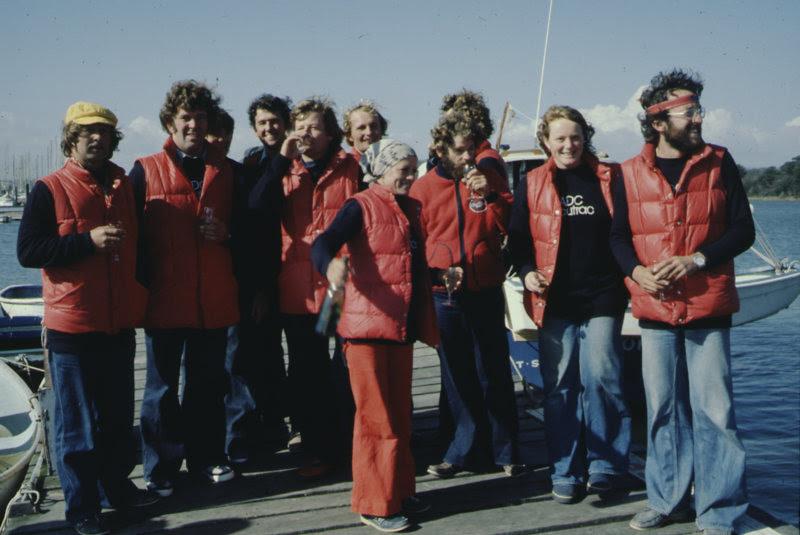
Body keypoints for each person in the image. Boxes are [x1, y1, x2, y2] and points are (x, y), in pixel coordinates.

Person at [610, 69, 754, 535]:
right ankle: (667, 500)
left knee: (716, 414)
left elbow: (742, 230)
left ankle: (720, 511)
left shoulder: (720, 161)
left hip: (707, 307)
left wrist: (697, 260)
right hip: (654, 311)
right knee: (663, 410)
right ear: (657, 121)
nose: (697, 119)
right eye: (686, 112)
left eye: (697, 111)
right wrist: (636, 272)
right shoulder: (626, 173)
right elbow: (616, 239)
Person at [17, 102, 155, 535]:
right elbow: (29, 252)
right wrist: (86, 241)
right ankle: (81, 508)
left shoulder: (123, 185)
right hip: (72, 329)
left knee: (116, 421)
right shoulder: (48, 187)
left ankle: (118, 489)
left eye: (104, 132)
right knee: (75, 427)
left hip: (117, 324)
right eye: (87, 132)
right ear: (71, 139)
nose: (96, 138)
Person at [311, 139, 439, 533]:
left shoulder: (412, 208)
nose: (410, 174)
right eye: (402, 167)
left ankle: (399, 490)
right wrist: (329, 268)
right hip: (365, 330)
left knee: (401, 415)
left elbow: (409, 267)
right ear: (381, 169)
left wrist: (438, 277)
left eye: (413, 167)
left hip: (399, 329)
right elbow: (324, 243)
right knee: (375, 419)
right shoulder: (361, 204)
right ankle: (374, 503)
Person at [508, 105, 630, 504]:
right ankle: (565, 470)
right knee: (560, 387)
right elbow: (518, 244)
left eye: (575, 137)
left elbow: (626, 232)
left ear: (586, 137)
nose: (568, 145)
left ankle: (606, 466)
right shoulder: (531, 184)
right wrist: (527, 272)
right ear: (545, 141)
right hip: (554, 299)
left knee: (602, 378)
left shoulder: (611, 178)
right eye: (559, 138)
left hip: (603, 294)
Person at [131, 80, 240, 496]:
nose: (193, 125)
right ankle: (159, 468)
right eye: (185, 118)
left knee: (208, 386)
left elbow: (249, 233)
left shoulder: (229, 171)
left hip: (214, 300)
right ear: (169, 123)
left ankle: (208, 457)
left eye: (199, 117)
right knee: (160, 390)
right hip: (164, 301)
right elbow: (133, 236)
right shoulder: (145, 169)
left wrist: (227, 233)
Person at [249, 97, 360, 477]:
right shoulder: (284, 168)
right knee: (306, 370)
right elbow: (257, 207)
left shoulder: (351, 167)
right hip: (297, 287)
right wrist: (281, 158)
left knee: (344, 365)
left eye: (314, 127)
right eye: (301, 127)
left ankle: (350, 442)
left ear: (330, 132)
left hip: (339, 284)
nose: (306, 134)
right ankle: (318, 448)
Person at [410, 111, 522, 478]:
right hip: (445, 296)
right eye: (459, 151)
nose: (467, 158)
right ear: (441, 150)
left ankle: (508, 452)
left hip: (486, 288)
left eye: (472, 149)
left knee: (494, 373)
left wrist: (490, 194)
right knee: (456, 378)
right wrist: (436, 272)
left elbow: (512, 224)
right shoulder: (422, 190)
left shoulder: (484, 180)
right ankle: (461, 452)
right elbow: (414, 244)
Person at [223, 95, 291, 463]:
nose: (269, 128)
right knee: (258, 355)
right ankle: (265, 427)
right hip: (263, 273)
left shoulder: (298, 158)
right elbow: (255, 211)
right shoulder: (254, 161)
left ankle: (284, 423)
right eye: (262, 123)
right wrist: (261, 287)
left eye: (275, 121)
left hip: (295, 274)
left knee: (291, 355)